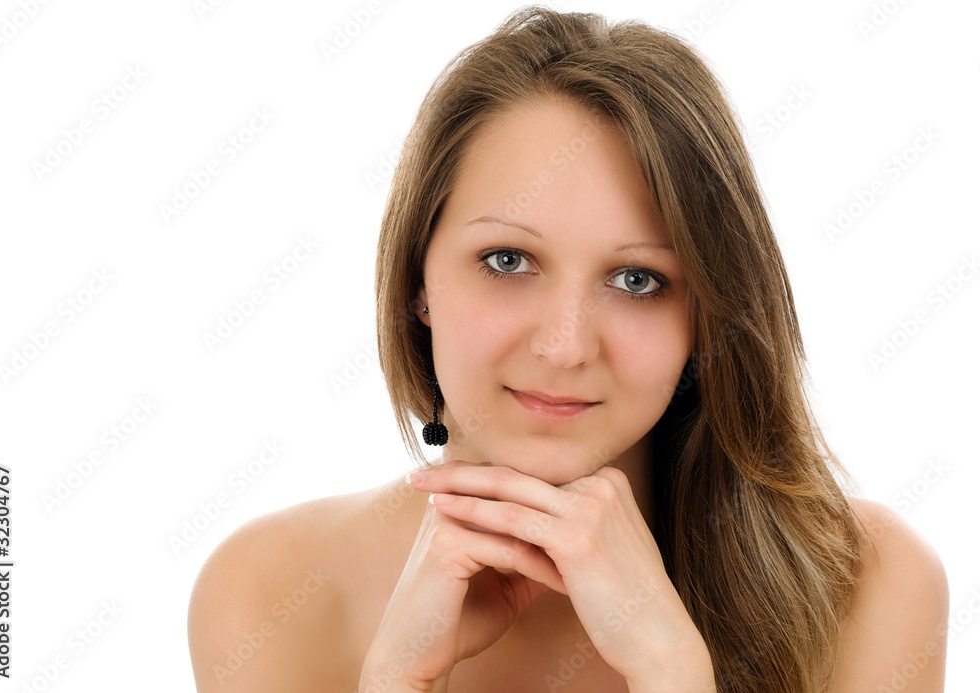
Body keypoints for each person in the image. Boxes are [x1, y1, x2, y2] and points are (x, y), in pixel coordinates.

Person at [187, 7, 949, 692]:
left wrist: (671, 672)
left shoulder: (869, 589)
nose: (564, 346)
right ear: (419, 279)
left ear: (707, 311)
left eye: (637, 279)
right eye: (507, 260)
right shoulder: (271, 594)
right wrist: (396, 680)